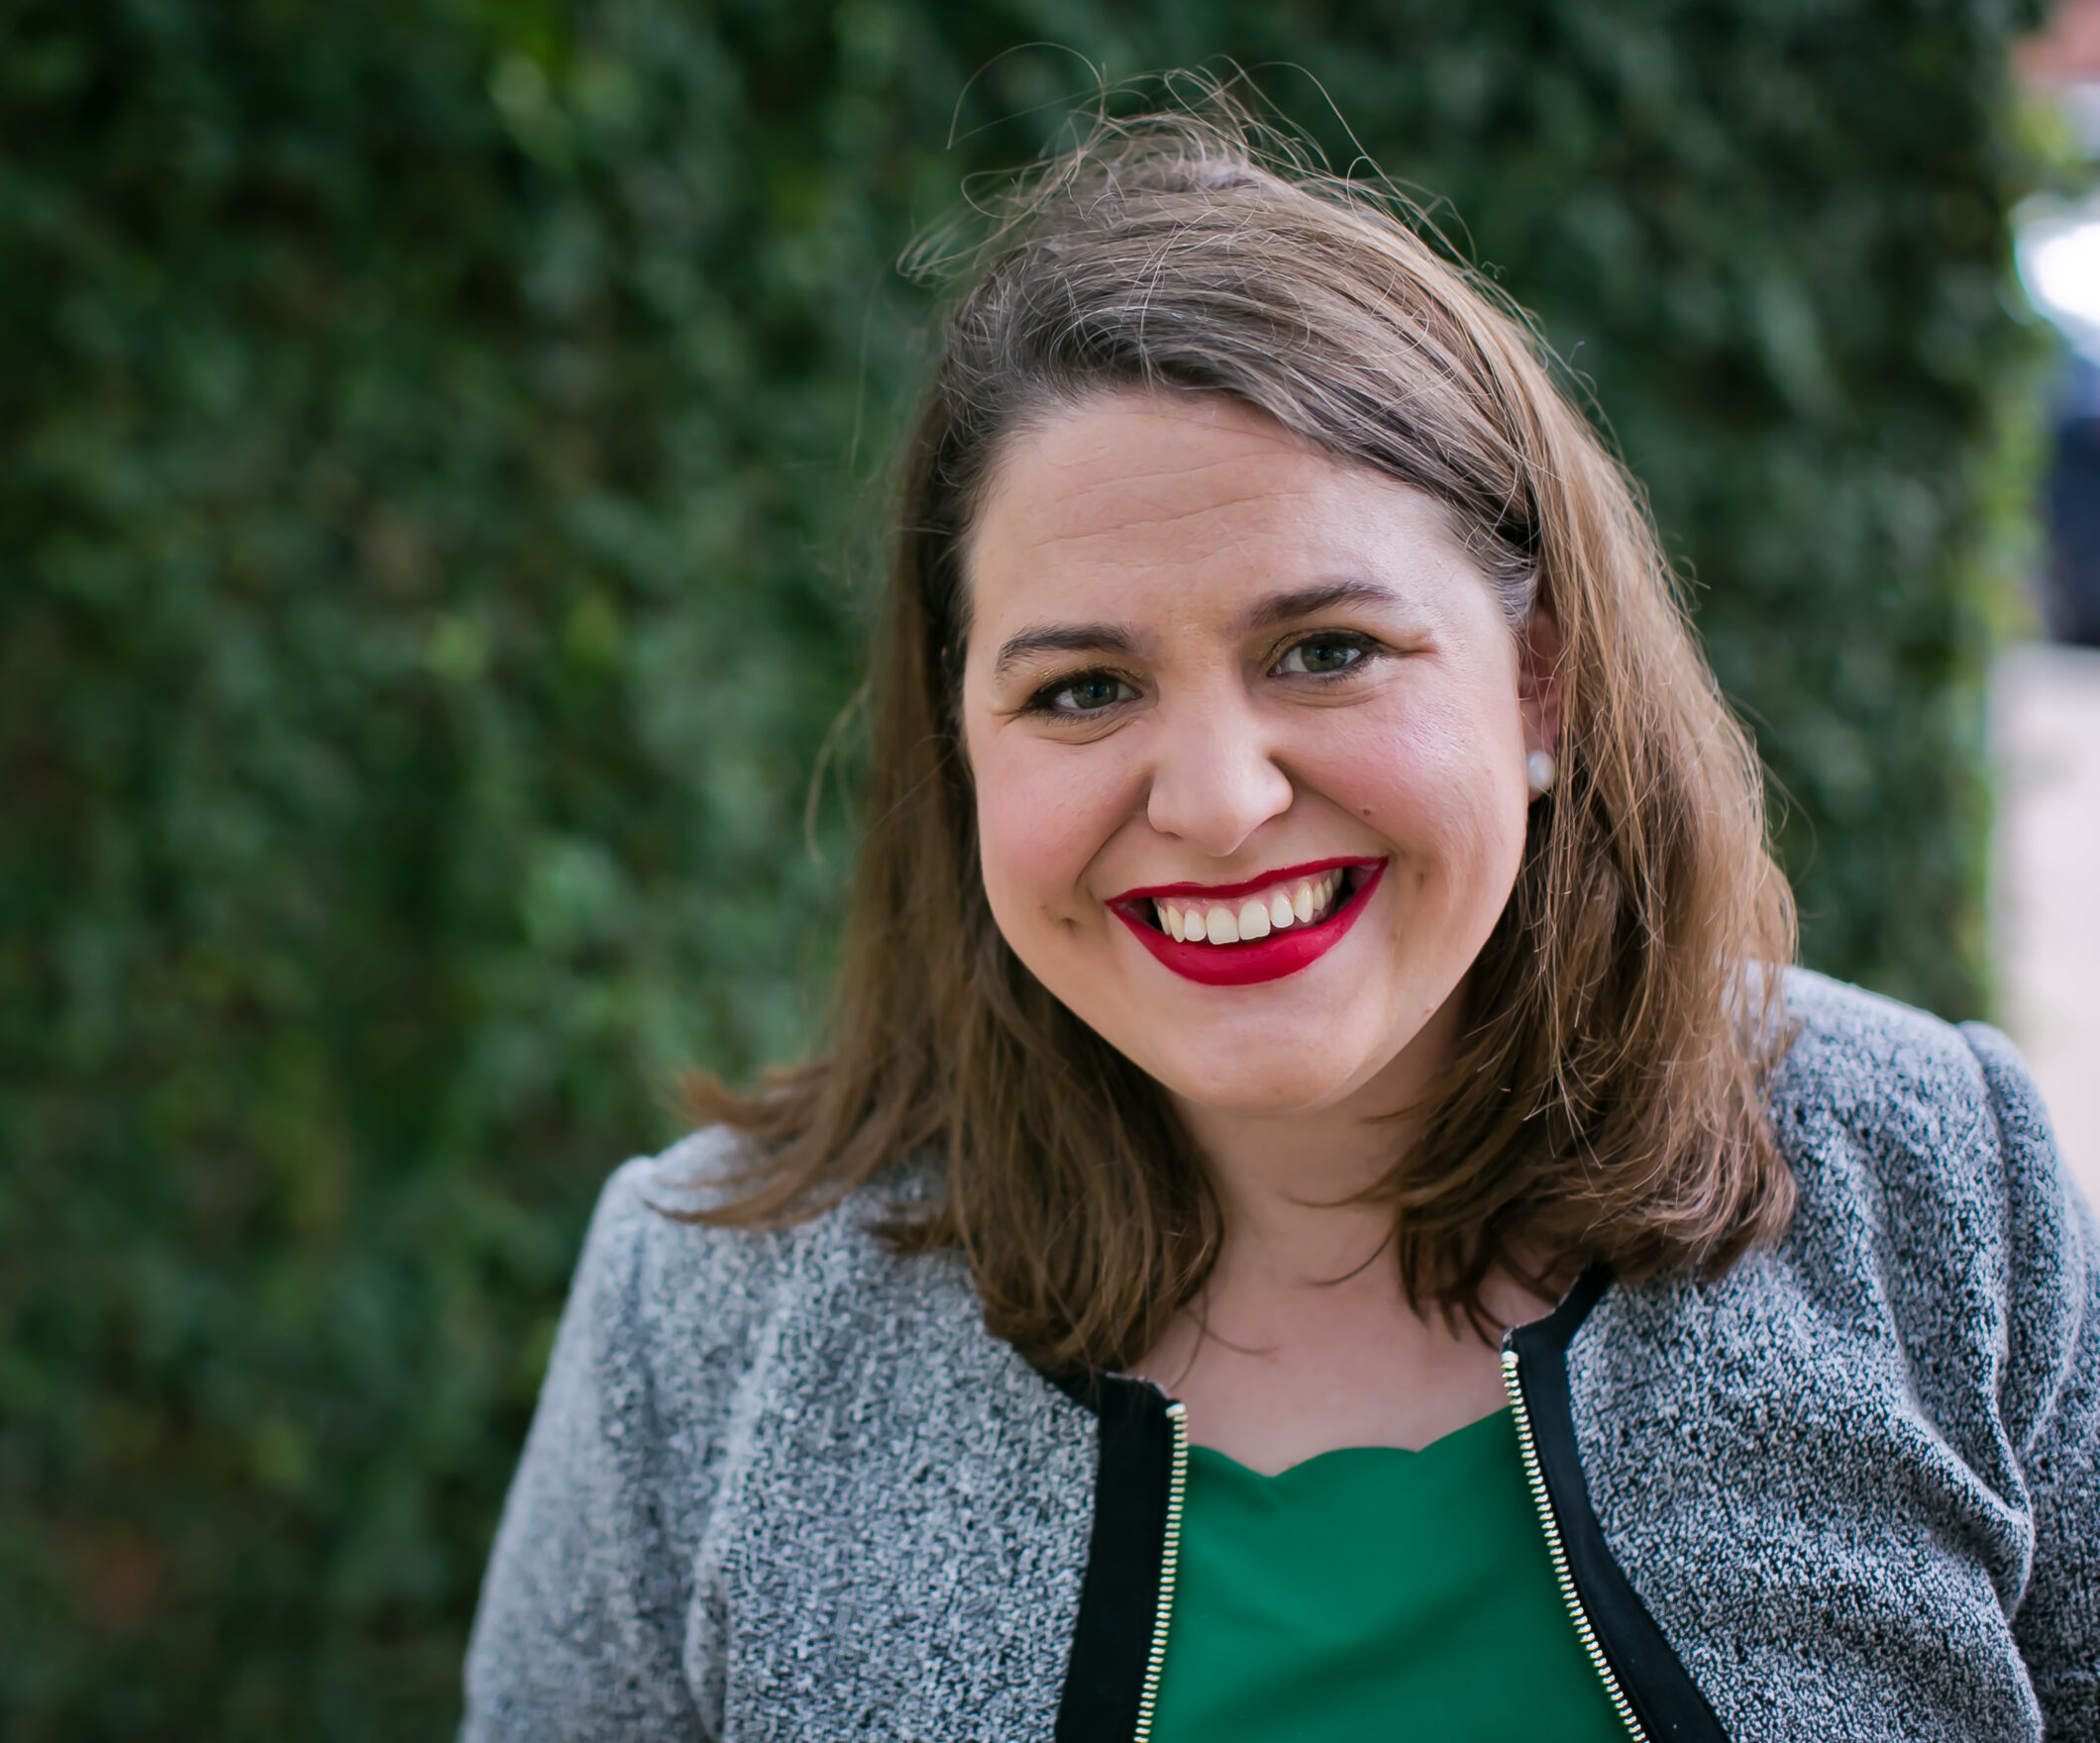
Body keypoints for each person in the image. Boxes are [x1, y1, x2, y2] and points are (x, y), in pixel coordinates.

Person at [461, 104, 2097, 1743]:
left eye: (1324, 649)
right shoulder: (704, 1316)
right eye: (1083, 689)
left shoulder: (1933, 1177)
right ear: (960, 754)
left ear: (1541, 683)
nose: (1218, 802)